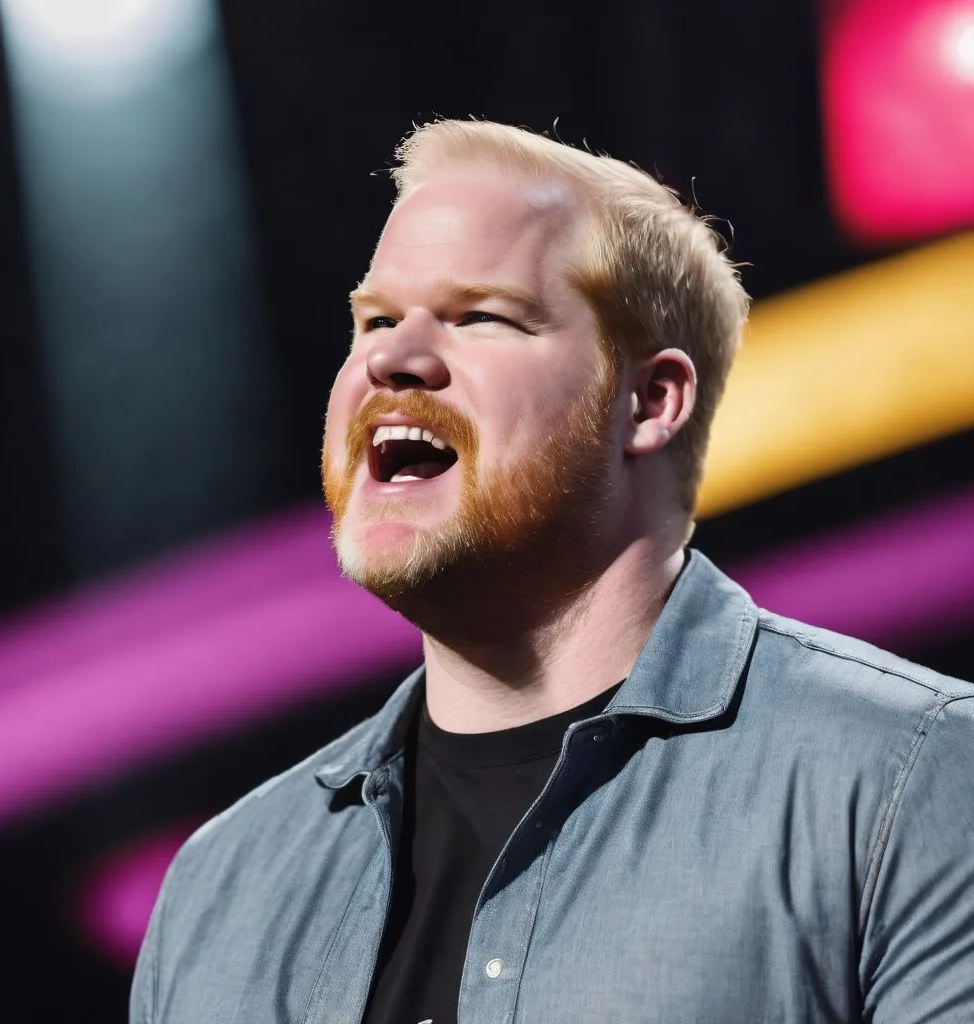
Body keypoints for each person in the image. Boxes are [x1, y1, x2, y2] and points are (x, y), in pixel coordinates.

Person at [131, 120, 974, 1024]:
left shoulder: (906, 779)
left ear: (649, 402)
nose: (390, 358)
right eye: (374, 320)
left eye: (481, 316)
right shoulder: (221, 887)